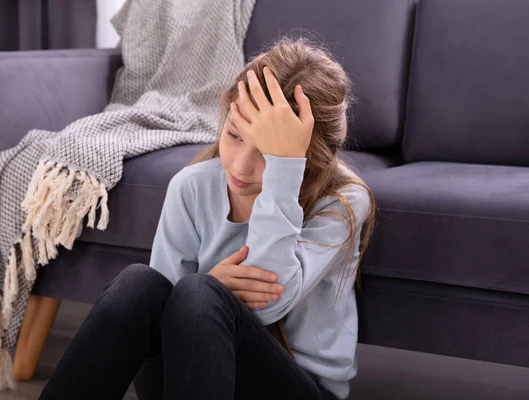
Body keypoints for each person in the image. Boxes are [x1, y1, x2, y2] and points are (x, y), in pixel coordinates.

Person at [39, 37, 375, 400]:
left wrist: (284, 171)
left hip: (295, 388)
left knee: (198, 292)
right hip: (191, 378)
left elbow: (271, 302)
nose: (241, 166)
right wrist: (210, 286)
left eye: (267, 153)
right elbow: (157, 319)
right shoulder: (192, 186)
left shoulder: (342, 202)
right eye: (233, 135)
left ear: (307, 157)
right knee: (140, 284)